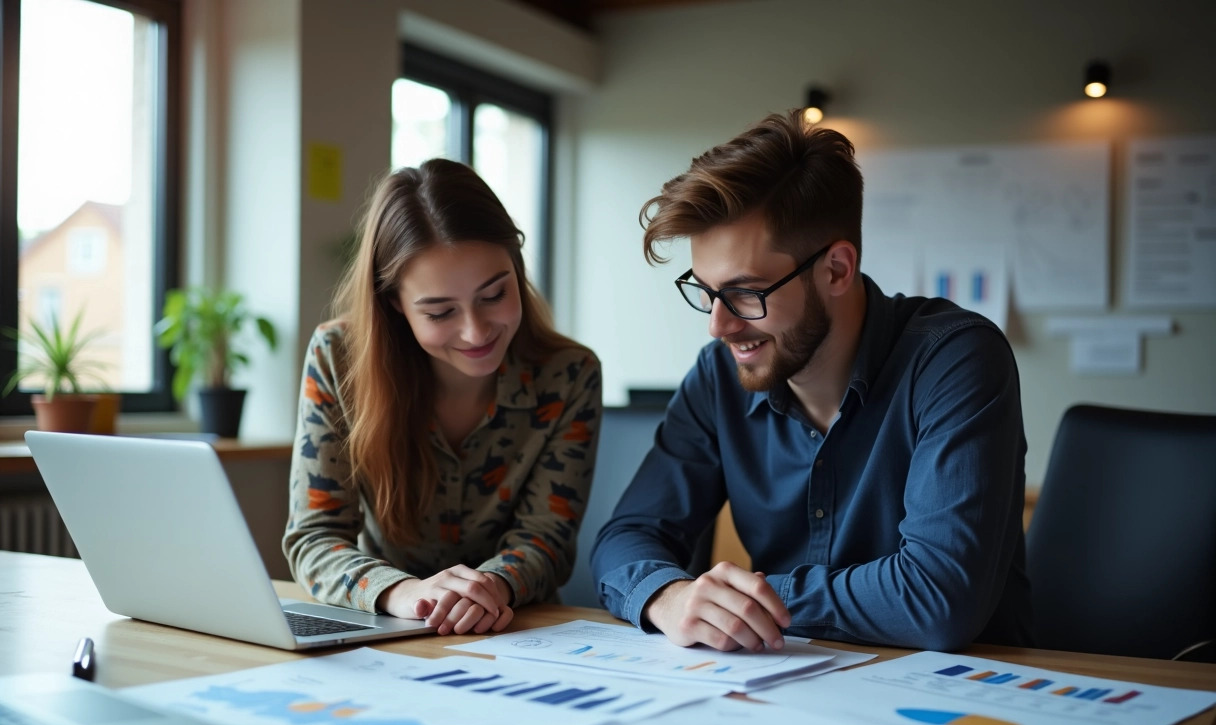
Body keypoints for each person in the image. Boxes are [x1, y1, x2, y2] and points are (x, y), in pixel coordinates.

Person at [590, 109, 1030, 653]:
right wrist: (670, 596)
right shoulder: (718, 375)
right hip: (786, 689)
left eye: (746, 292)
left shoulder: (955, 359)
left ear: (837, 270)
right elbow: (624, 539)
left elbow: (938, 599)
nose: (718, 325)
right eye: (705, 290)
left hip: (965, 696)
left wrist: (743, 604)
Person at [284, 159, 602, 637]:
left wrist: (490, 587)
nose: (475, 331)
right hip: (389, 626)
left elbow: (546, 539)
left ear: (516, 265)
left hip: (517, 631)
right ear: (395, 304)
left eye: (494, 295)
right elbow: (315, 537)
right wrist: (405, 593)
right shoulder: (338, 359)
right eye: (439, 311)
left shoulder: (569, 375)